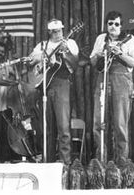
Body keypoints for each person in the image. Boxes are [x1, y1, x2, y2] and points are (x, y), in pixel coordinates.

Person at [90, 11, 134, 161]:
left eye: (116, 24)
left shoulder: (130, 40)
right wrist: (99, 55)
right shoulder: (101, 38)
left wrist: (120, 53)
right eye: (110, 23)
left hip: (122, 81)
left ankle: (122, 161)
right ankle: (101, 159)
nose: (113, 26)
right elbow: (92, 62)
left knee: (120, 122)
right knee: (98, 121)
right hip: (102, 78)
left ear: (121, 26)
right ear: (106, 25)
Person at [28, 18, 79, 164]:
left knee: (63, 126)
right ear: (49, 31)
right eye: (55, 31)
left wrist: (66, 52)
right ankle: (47, 160)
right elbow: (31, 61)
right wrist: (43, 56)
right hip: (44, 86)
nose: (59, 34)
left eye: (61, 30)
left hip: (62, 84)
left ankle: (65, 162)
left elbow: (75, 64)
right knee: (47, 127)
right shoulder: (42, 45)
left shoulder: (69, 43)